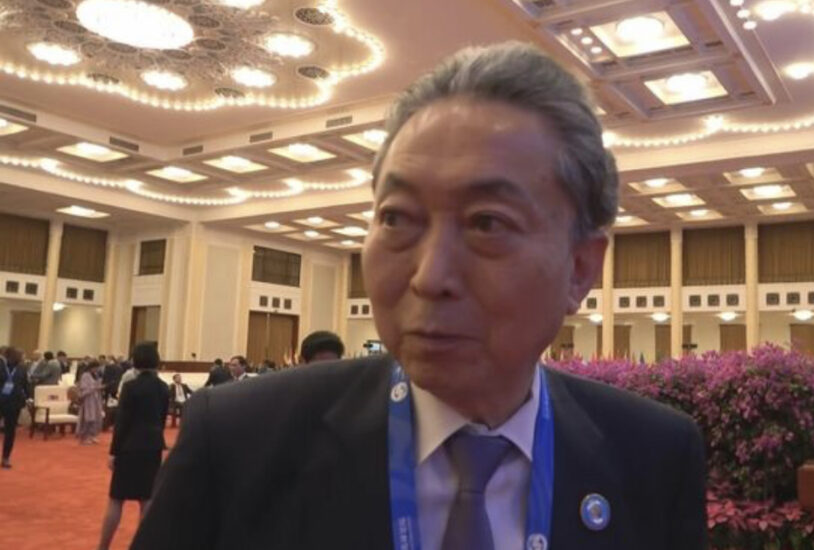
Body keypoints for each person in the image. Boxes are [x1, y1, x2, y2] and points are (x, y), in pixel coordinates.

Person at [132, 42, 706, 550]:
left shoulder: (654, 455)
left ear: (580, 268)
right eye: (397, 218)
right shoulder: (238, 441)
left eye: (486, 223)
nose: (430, 277)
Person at [99, 341, 169, 550]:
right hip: (153, 446)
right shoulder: (163, 388)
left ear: (135, 361)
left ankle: (103, 547)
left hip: (129, 446)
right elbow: (162, 418)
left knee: (116, 499)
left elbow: (122, 422)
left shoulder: (130, 387)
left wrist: (113, 452)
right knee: (146, 499)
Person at [0, 347, 30, 469]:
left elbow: (25, 384)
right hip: (1, 400)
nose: (22, 357)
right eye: (20, 355)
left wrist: (28, 397)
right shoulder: (1, 366)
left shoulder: (22, 368)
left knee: (10, 431)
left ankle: (6, 458)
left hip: (14, 403)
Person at [76, 360, 104, 445]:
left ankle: (92, 435)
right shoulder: (85, 375)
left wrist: (100, 387)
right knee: (88, 418)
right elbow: (83, 388)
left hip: (96, 399)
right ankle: (84, 437)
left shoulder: (96, 375)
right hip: (88, 400)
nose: (97, 369)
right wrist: (95, 387)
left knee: (96, 418)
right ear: (91, 367)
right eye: (95, 368)